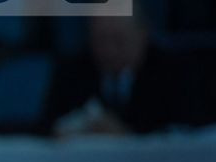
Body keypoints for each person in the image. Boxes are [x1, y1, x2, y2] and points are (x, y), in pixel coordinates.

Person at [40, 12, 186, 136]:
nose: (109, 51)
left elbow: (185, 133)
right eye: (101, 40)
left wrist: (126, 135)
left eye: (119, 40)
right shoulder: (70, 72)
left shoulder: (171, 72)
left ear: (142, 34)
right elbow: (45, 129)